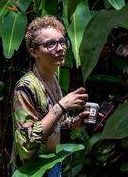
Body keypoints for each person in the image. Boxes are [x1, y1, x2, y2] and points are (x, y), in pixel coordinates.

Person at [11, 15, 89, 176]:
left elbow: (51, 122)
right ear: (34, 52)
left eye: (62, 42)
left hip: (52, 164)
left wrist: (73, 122)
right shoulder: (26, 86)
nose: (60, 48)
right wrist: (61, 107)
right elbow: (28, 139)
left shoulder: (52, 78)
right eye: (50, 44)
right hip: (33, 170)